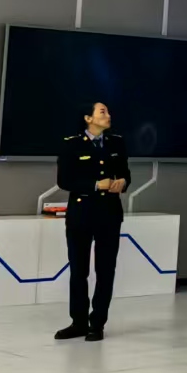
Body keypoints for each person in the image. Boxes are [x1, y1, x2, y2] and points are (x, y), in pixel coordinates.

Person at [54, 101, 129, 341]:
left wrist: (123, 182)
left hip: (109, 214)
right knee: (79, 270)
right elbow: (64, 180)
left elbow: (125, 173)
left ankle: (97, 323)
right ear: (88, 118)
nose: (108, 115)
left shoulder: (116, 142)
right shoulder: (71, 144)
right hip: (81, 214)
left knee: (105, 270)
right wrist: (96, 185)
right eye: (102, 112)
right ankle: (78, 322)